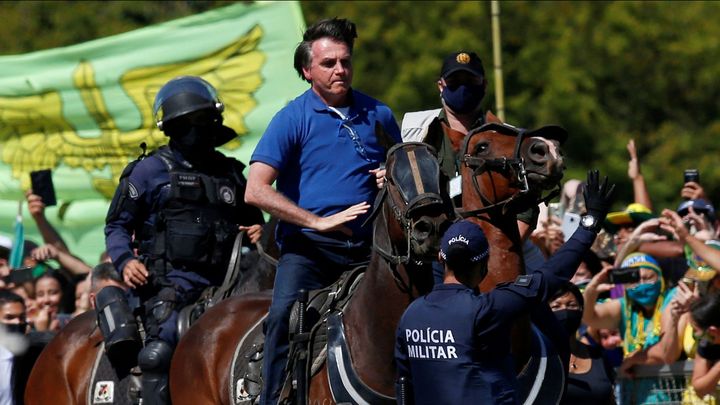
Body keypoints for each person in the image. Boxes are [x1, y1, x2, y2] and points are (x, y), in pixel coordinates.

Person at [244, 17, 401, 404]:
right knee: (283, 317)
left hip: (371, 251)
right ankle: (272, 399)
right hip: (308, 253)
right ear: (307, 71)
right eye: (328, 63)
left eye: (345, 61)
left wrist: (391, 177)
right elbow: (255, 190)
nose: (340, 70)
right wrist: (317, 221)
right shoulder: (291, 118)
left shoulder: (379, 113)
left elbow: (404, 170)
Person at [104, 75, 265, 405]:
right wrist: (126, 261)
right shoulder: (148, 172)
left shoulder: (231, 173)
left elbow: (254, 224)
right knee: (158, 354)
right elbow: (117, 225)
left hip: (231, 282)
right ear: (172, 128)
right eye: (187, 124)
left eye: (203, 120)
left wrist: (256, 232)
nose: (197, 130)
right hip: (170, 284)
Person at [394, 170, 615, 405]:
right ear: (484, 264)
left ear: (440, 257)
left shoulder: (410, 316)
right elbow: (551, 276)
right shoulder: (486, 309)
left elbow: (404, 385)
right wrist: (590, 224)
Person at [582, 252, 679, 403]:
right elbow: (589, 317)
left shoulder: (673, 299)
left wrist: (633, 359)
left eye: (648, 278)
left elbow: (666, 353)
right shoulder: (626, 307)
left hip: (670, 396)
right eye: (634, 280)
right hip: (634, 398)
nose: (641, 284)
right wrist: (591, 290)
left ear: (660, 277)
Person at [549, 282, 615, 405]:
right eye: (556, 306)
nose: (565, 311)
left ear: (581, 311)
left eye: (571, 305)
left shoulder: (598, 355)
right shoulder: (538, 358)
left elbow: (609, 399)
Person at [688, 292, 720, 400]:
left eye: (695, 330)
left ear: (712, 331)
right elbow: (700, 389)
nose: (694, 335)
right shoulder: (706, 344)